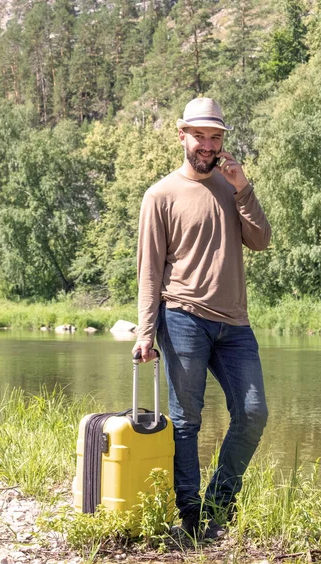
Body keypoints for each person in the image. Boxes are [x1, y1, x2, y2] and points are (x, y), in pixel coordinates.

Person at [132, 97, 271, 540]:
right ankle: (191, 515)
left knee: (252, 414)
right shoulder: (160, 195)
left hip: (235, 324)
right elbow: (150, 269)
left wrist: (244, 187)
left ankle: (219, 503)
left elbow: (261, 240)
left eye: (216, 137)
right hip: (183, 318)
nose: (208, 145)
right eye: (200, 136)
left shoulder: (233, 188)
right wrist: (145, 332)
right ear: (182, 135)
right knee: (186, 420)